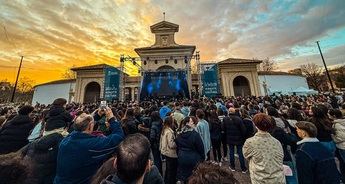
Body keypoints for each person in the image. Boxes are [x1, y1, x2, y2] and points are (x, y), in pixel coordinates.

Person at [54, 107, 124, 184]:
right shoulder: (91, 145)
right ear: (91, 126)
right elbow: (118, 137)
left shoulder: (66, 139)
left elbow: (81, 125)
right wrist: (112, 119)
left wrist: (97, 115)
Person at [243, 113, 285, 184]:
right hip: (278, 178)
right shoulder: (277, 142)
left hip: (260, 179)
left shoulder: (250, 142)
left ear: (255, 125)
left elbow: (246, 155)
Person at [176, 116, 205, 183]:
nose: (193, 123)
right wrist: (202, 158)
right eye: (191, 122)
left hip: (182, 157)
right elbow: (201, 148)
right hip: (193, 158)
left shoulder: (179, 135)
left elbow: (177, 145)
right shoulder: (195, 135)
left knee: (184, 176)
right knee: (194, 176)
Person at [224, 108, 247, 172]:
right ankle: (243, 168)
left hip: (230, 138)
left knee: (231, 152)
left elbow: (224, 129)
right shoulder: (238, 119)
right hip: (238, 138)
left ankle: (232, 166)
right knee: (240, 153)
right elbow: (243, 130)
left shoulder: (225, 119)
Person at [160, 116, 177, 184]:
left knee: (168, 169)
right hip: (170, 153)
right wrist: (177, 141)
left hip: (165, 151)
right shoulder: (170, 132)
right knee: (171, 170)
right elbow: (171, 145)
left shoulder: (164, 129)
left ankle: (166, 181)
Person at [330, 109, 345, 181]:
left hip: (342, 146)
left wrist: (332, 137)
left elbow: (341, 137)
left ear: (334, 116)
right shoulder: (342, 122)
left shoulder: (337, 124)